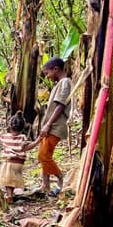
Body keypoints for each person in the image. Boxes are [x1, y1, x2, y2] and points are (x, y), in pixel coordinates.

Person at [38, 57, 71, 196]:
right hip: (50, 126)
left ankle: (61, 178)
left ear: (56, 69)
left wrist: (48, 125)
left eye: (47, 73)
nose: (47, 76)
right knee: (44, 154)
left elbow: (60, 105)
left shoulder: (65, 82)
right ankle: (45, 185)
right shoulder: (59, 83)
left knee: (44, 156)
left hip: (56, 126)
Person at [0, 110, 40, 204]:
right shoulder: (22, 138)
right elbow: (26, 147)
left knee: (8, 181)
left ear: (10, 125)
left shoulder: (4, 137)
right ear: (22, 127)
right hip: (19, 163)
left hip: (8, 162)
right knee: (12, 180)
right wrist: (37, 141)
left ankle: (9, 195)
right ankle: (11, 195)